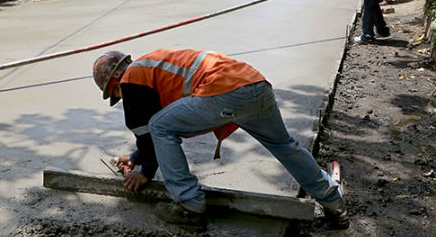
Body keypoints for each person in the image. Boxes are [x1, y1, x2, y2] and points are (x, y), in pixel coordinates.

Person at [93, 49, 349, 229]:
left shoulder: (130, 80)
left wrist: (145, 173)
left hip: (225, 93)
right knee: (284, 145)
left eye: (117, 93)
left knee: (160, 125)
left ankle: (188, 205)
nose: (122, 97)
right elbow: (149, 140)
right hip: (256, 84)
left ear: (115, 81)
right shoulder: (151, 65)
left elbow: (151, 132)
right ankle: (334, 203)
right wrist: (135, 157)